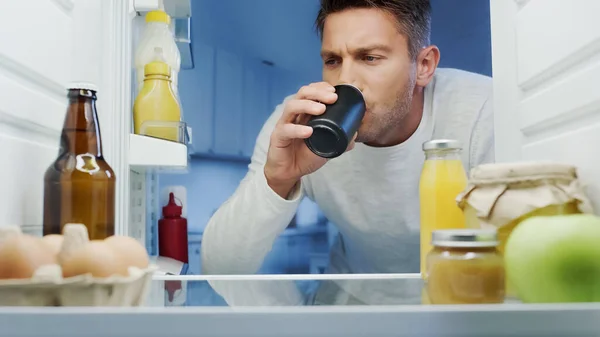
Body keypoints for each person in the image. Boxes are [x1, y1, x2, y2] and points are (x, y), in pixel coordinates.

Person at [201, 0, 494, 305]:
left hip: (459, 300)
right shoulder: (298, 125)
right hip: (350, 302)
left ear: (423, 66)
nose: (346, 81)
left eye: (369, 57)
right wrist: (277, 179)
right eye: (332, 60)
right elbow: (219, 269)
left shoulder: (483, 110)